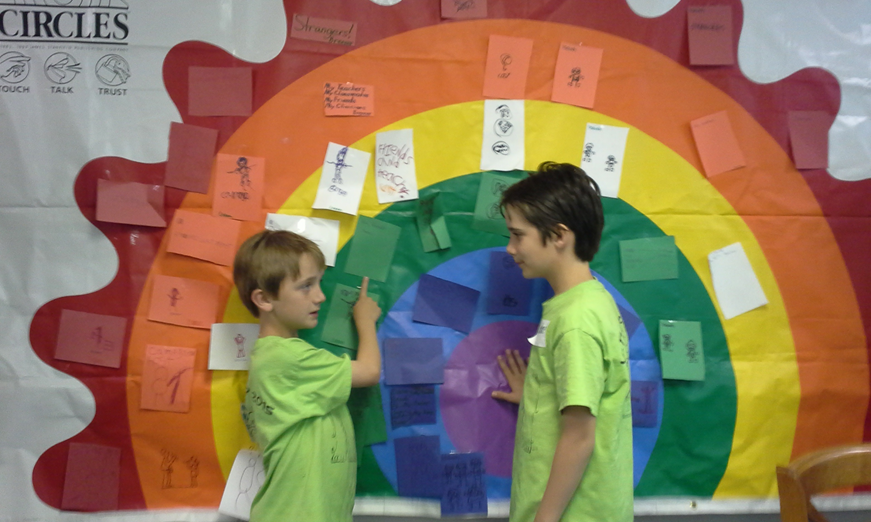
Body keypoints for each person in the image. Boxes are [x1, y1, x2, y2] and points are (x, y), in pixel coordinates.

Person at [491, 162, 633, 522]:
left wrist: (545, 518)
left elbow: (580, 437)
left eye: (517, 235)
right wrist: (539, 397)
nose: (510, 248)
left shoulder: (575, 322)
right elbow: (585, 397)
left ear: (558, 236)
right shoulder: (586, 301)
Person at [233, 230, 382, 522]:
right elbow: (369, 371)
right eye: (306, 286)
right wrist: (365, 321)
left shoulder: (274, 356)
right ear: (264, 299)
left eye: (320, 283)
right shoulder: (286, 357)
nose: (320, 296)